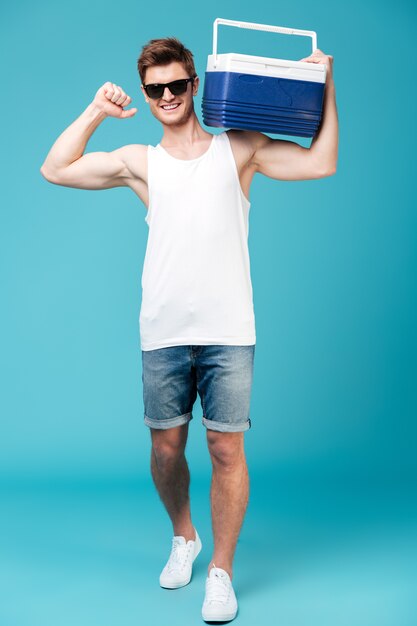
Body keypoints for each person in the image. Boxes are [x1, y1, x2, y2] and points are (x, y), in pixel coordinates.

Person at [40, 36, 338, 622]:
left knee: (226, 448)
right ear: (148, 97)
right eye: (157, 89)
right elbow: (54, 168)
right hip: (164, 329)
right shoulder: (139, 163)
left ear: (195, 85)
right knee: (166, 447)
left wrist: (327, 84)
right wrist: (98, 110)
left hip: (230, 328)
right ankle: (185, 536)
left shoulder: (240, 149)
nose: (169, 96)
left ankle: (221, 573)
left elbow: (321, 160)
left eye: (178, 84)